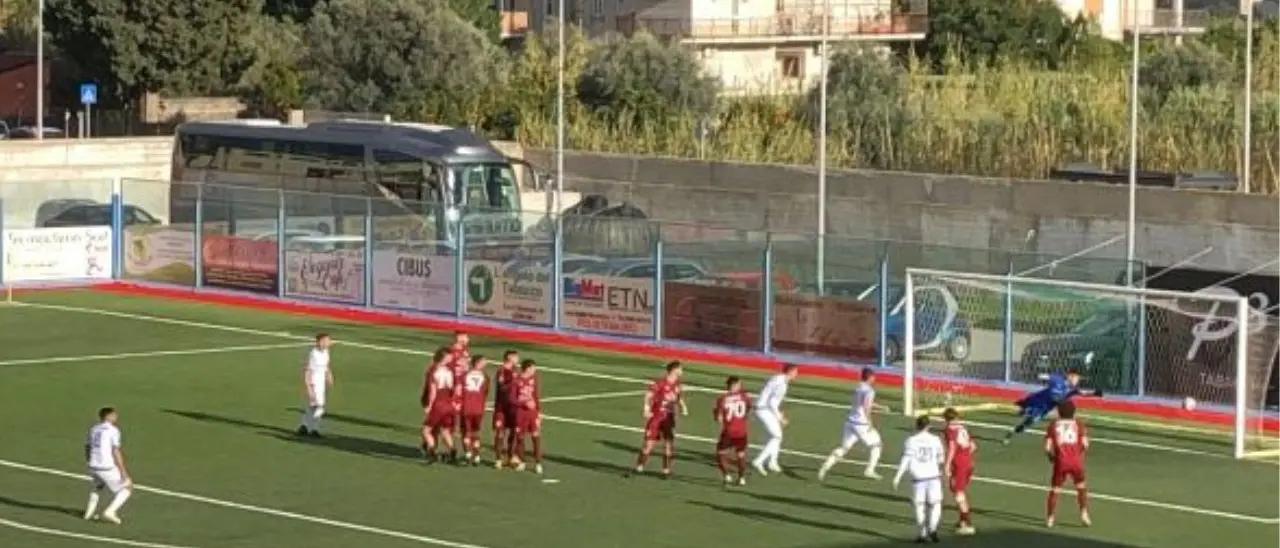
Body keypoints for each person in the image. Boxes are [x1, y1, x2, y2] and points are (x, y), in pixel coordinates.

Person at [818, 367, 884, 481]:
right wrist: (870, 422)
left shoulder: (858, 387)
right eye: (873, 377)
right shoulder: (869, 391)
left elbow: (862, 403)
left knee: (844, 448)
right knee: (877, 445)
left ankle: (826, 466)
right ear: (870, 377)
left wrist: (880, 406)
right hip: (861, 424)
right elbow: (866, 407)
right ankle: (870, 470)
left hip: (850, 422)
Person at [1003, 368, 1101, 444]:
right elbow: (1045, 376)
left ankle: (1011, 433)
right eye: (1076, 377)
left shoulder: (1072, 390)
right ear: (1070, 376)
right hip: (1036, 401)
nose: (1077, 380)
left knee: (1028, 423)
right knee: (1023, 409)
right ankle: (1023, 410)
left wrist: (1095, 393)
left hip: (1043, 410)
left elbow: (1084, 393)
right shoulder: (1057, 379)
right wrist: (1039, 375)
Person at [893, 415, 945, 544]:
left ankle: (922, 533)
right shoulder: (935, 439)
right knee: (936, 504)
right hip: (933, 476)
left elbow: (905, 460)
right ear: (928, 426)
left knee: (919, 506)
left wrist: (897, 476)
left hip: (918, 478)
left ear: (917, 426)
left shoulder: (911, 440)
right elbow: (941, 458)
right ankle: (932, 529)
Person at [632, 361, 687, 478]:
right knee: (649, 444)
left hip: (669, 418)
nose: (682, 371)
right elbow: (648, 395)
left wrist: (683, 407)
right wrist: (646, 409)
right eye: (680, 369)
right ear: (674, 370)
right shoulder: (660, 383)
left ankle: (666, 470)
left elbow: (679, 397)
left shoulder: (678, 384)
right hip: (657, 417)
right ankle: (639, 466)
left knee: (668, 444)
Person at [1045, 400, 1091, 528]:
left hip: (1061, 462)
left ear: (1059, 412)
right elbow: (1086, 445)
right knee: (1081, 487)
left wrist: (1051, 457)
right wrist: (1078, 454)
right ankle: (1084, 513)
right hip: (1076, 462)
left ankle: (1050, 518)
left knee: (1055, 490)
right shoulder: (1078, 424)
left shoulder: (1053, 425)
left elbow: (1047, 448)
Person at [84, 407, 132, 524]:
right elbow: (115, 451)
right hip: (106, 466)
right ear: (108, 416)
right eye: (114, 415)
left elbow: (87, 447)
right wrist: (123, 472)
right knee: (127, 488)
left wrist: (89, 461)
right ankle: (110, 511)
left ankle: (88, 514)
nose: (116, 417)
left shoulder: (94, 429)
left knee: (98, 486)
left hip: (93, 464)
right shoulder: (113, 430)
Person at [752, 363, 798, 476]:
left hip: (764, 408)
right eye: (796, 372)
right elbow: (772, 402)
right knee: (776, 436)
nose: (797, 374)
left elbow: (771, 399)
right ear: (790, 372)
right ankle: (759, 461)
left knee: (777, 435)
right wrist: (780, 418)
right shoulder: (782, 384)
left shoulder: (778, 378)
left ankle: (773, 462)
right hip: (763, 409)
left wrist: (779, 414)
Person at [421, 347, 459, 463]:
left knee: (426, 430)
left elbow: (433, 390)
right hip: (449, 404)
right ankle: (452, 450)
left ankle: (431, 451)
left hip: (438, 403)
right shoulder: (450, 371)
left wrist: (429, 405)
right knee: (445, 430)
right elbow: (454, 388)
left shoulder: (434, 370)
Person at [942, 407, 977, 535]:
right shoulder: (963, 428)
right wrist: (966, 456)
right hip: (968, 463)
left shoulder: (949, 430)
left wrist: (947, 464)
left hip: (959, 464)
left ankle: (967, 523)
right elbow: (973, 446)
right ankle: (962, 520)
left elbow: (951, 447)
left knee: (958, 493)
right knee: (957, 489)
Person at [713, 376, 752, 486]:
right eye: (739, 384)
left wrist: (716, 413)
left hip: (729, 432)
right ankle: (742, 478)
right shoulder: (745, 396)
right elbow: (748, 409)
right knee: (741, 455)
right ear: (735, 385)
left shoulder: (722, 399)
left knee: (720, 454)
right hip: (742, 431)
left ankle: (726, 475)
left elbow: (718, 419)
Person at [508, 359, 543, 474]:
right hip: (521, 414)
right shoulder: (516, 381)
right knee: (520, 439)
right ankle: (522, 462)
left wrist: (539, 413)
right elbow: (512, 399)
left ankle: (538, 463)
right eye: (533, 368)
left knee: (536, 437)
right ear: (527, 368)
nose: (535, 370)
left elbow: (536, 396)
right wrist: (524, 403)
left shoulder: (534, 379)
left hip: (532, 414)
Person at [297, 333, 333, 438]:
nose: (328, 343)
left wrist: (329, 375)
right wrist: (309, 387)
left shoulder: (326, 352)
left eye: (329, 341)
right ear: (319, 342)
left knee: (312, 406)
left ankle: (303, 426)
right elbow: (308, 371)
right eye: (326, 341)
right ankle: (314, 429)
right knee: (320, 406)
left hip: (321, 382)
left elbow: (326, 365)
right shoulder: (313, 354)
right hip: (314, 382)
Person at [459, 355, 490, 466]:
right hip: (478, 408)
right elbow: (486, 392)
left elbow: (459, 391)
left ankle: (468, 453)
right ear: (478, 363)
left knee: (465, 432)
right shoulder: (485, 376)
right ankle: (476, 456)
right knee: (476, 432)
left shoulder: (464, 375)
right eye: (484, 361)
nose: (485, 363)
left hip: (466, 407)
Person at [492, 350, 520, 468]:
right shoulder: (502, 371)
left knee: (514, 432)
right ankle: (498, 458)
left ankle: (511, 456)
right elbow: (503, 388)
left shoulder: (515, 371)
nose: (517, 359)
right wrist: (513, 382)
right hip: (502, 408)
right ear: (509, 358)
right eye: (516, 357)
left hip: (513, 408)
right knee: (500, 432)